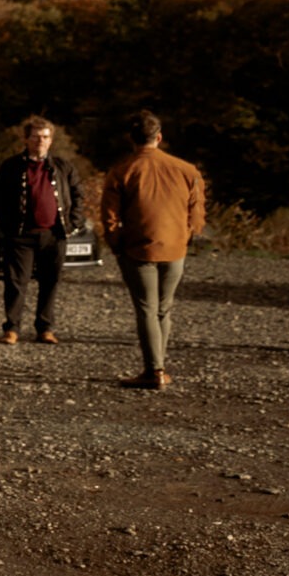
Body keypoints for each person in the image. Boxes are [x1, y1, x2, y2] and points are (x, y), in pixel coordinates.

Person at [99, 110, 207, 391]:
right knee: (164, 308)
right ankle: (160, 366)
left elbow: (109, 216)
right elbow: (196, 212)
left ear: (131, 139)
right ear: (159, 137)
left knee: (146, 309)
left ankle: (154, 370)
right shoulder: (187, 170)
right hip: (175, 246)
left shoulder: (122, 171)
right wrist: (187, 236)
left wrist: (116, 242)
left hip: (137, 247)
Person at [0, 115, 82, 344]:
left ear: (51, 140)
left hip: (54, 235)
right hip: (21, 236)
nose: (40, 141)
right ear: (26, 139)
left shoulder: (63, 167)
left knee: (50, 282)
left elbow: (77, 195)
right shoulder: (11, 166)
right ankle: (11, 328)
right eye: (35, 137)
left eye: (45, 137)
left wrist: (73, 223)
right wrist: (7, 228)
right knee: (16, 283)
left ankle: (45, 328)